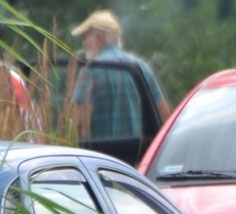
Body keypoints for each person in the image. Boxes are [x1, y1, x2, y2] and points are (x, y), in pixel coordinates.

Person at [68, 9, 170, 142]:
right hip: (139, 154)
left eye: (85, 37)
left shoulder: (89, 70)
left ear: (99, 38)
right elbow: (164, 115)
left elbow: (79, 122)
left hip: (102, 156)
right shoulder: (141, 66)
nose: (84, 44)